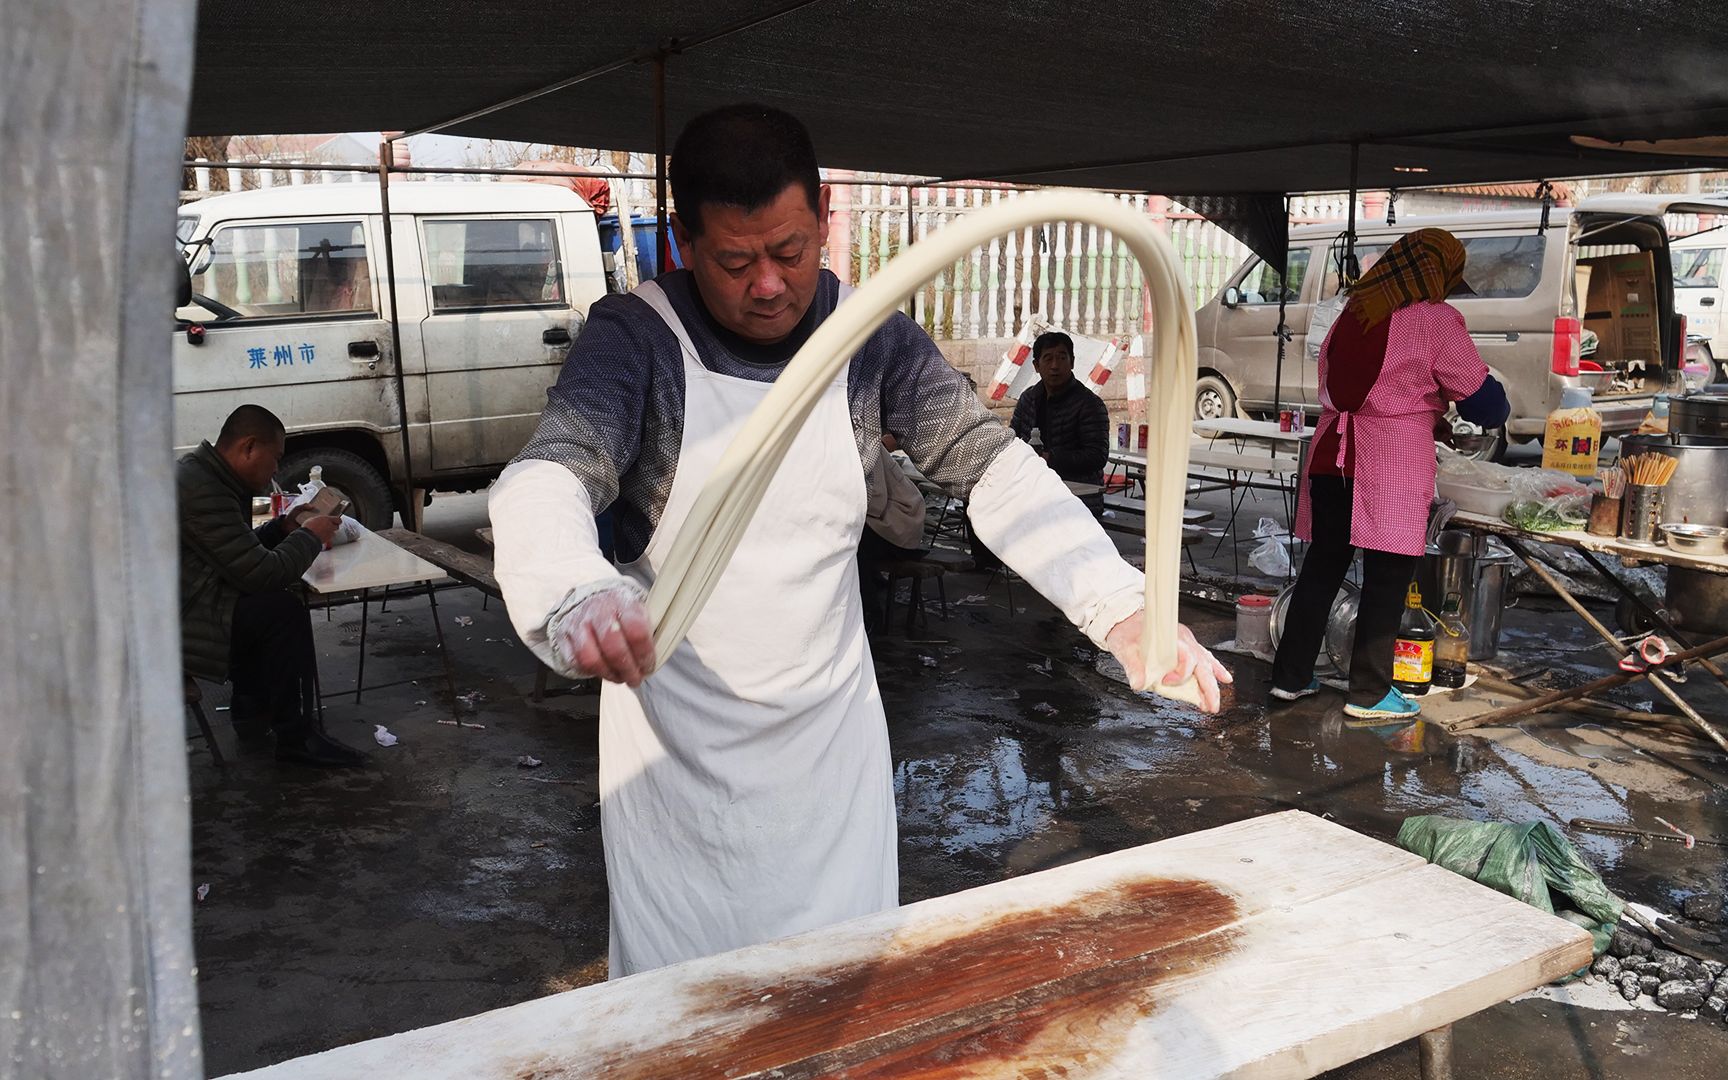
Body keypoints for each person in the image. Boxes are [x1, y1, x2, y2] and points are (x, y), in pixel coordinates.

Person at [489, 103, 1231, 979]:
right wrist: (577, 591)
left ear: (826, 213)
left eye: (790, 252)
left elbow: (989, 464)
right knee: (685, 1015)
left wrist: (1118, 608)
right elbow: (553, 470)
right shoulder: (639, 339)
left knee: (846, 996)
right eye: (736, 261)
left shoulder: (867, 331)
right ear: (686, 244)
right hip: (679, 761)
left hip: (827, 754)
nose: (768, 284)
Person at [1270, 229, 1509, 720]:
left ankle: (1291, 678)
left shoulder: (1349, 315)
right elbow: (1487, 406)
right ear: (1439, 271)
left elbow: (1371, 390)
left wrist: (1426, 411)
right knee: (1388, 574)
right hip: (1389, 461)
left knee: (1322, 569)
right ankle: (1371, 692)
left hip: (1332, 453)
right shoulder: (1434, 320)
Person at [178, 405, 367, 767]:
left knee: (261, 606)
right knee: (281, 611)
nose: (277, 469)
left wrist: (282, 529)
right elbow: (263, 573)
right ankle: (295, 737)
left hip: (180, 601)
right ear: (249, 447)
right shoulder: (202, 489)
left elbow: (235, 552)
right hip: (169, 622)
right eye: (275, 457)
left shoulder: (206, 477)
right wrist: (311, 536)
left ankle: (252, 712)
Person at [1010, 331, 1111, 497]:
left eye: (1062, 358)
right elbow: (1013, 441)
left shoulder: (1089, 404)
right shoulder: (1028, 399)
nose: (1055, 366)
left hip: (1080, 497)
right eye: (1048, 359)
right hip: (1033, 489)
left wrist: (1050, 458)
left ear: (1072, 362)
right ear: (1036, 366)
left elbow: (1097, 456)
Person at [856, 431, 929, 630]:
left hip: (901, 523)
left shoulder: (864, 446)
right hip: (885, 520)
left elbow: (876, 500)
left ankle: (870, 615)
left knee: (854, 546)